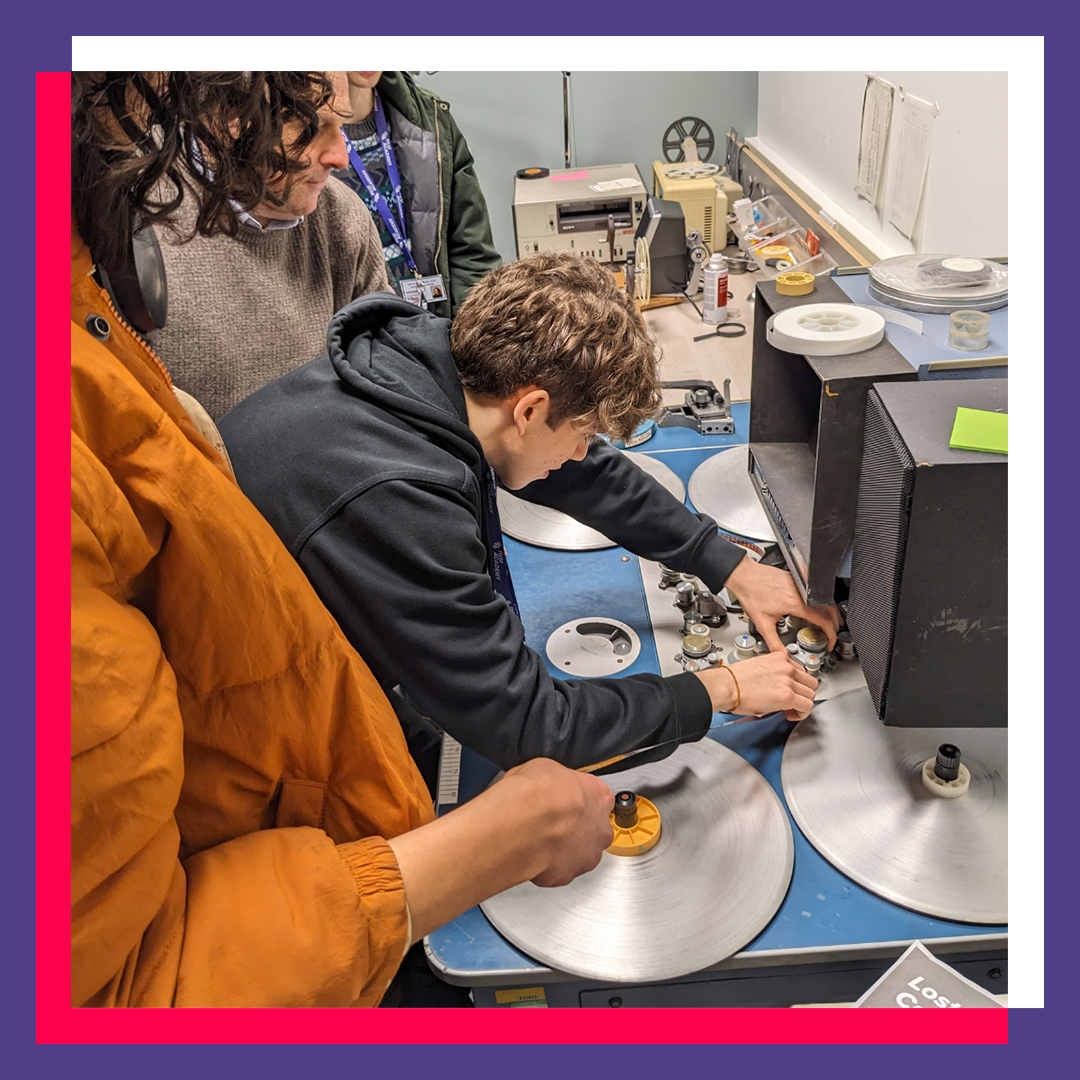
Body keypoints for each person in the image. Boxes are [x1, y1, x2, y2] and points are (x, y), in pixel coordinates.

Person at [71, 71, 615, 1010]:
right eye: (308, 107)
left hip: (321, 749)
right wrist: (475, 850)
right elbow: (120, 995)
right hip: (282, 884)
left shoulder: (308, 238)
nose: (341, 147)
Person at [219, 254, 840, 792]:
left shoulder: (433, 369)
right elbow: (532, 727)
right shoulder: (396, 497)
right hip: (246, 729)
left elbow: (585, 475)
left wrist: (730, 567)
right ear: (531, 408)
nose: (582, 452)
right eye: (585, 433)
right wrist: (721, 688)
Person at [145, 71, 391, 419]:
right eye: (313, 128)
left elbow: (385, 382)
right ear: (228, 118)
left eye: (341, 127)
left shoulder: (343, 218)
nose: (340, 157)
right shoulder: (135, 213)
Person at [335, 71, 501, 316]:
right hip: (355, 334)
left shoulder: (431, 119)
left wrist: (464, 331)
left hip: (440, 327)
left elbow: (473, 255)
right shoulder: (292, 142)